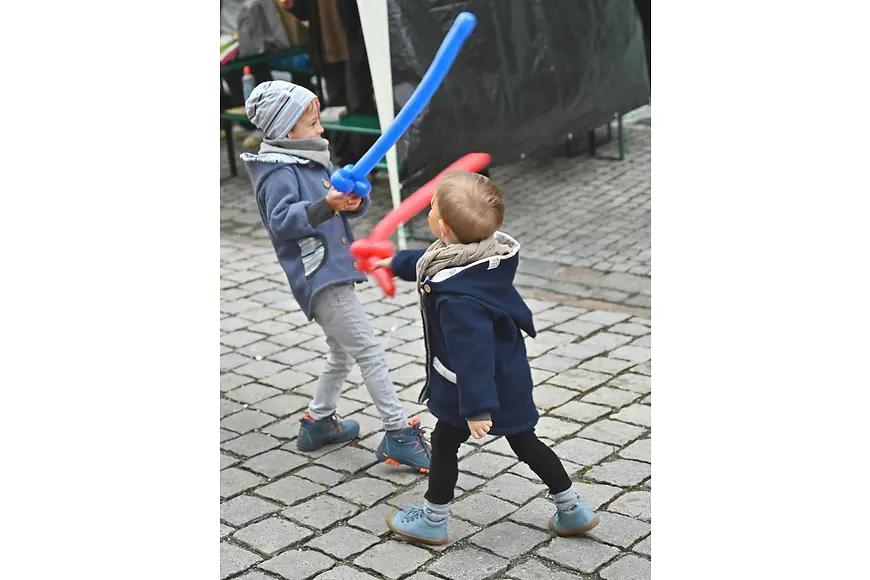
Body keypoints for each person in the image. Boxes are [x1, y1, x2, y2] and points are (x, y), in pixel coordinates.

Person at [372, 171, 599, 544]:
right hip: (509, 378)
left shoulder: (459, 299)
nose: (427, 210)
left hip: (476, 389)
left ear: (441, 226)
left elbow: (472, 353)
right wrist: (394, 262)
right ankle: (573, 508)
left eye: (430, 207)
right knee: (526, 442)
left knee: (445, 442)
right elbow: (429, 260)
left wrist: (477, 407)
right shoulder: (482, 255)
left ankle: (432, 520)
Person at [240, 80, 430, 472]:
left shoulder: (308, 160)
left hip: (335, 269)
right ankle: (397, 431)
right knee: (369, 351)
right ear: (287, 130)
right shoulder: (277, 172)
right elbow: (282, 222)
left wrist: (350, 203)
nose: (321, 130)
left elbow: (336, 209)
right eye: (313, 124)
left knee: (341, 353)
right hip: (318, 275)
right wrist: (326, 204)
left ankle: (318, 421)